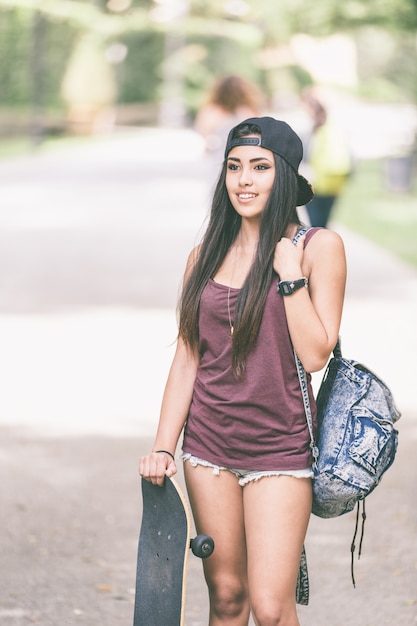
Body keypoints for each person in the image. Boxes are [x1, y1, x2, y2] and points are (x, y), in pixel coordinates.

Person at [139, 116, 346, 625]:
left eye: (259, 167)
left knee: (272, 609)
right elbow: (188, 356)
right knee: (228, 597)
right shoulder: (203, 257)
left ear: (285, 176)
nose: (244, 180)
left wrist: (290, 276)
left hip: (280, 449)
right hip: (209, 450)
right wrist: (164, 446)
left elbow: (318, 354)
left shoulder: (319, 248)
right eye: (234, 167)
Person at [194, 75, 263, 181]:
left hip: (219, 159)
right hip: (245, 157)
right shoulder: (247, 111)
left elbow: (203, 130)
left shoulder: (212, 111)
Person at [302, 93, 352, 228]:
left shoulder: (316, 129)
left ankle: (320, 248)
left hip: (316, 183)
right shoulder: (334, 127)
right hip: (334, 183)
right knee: (322, 224)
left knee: (316, 225)